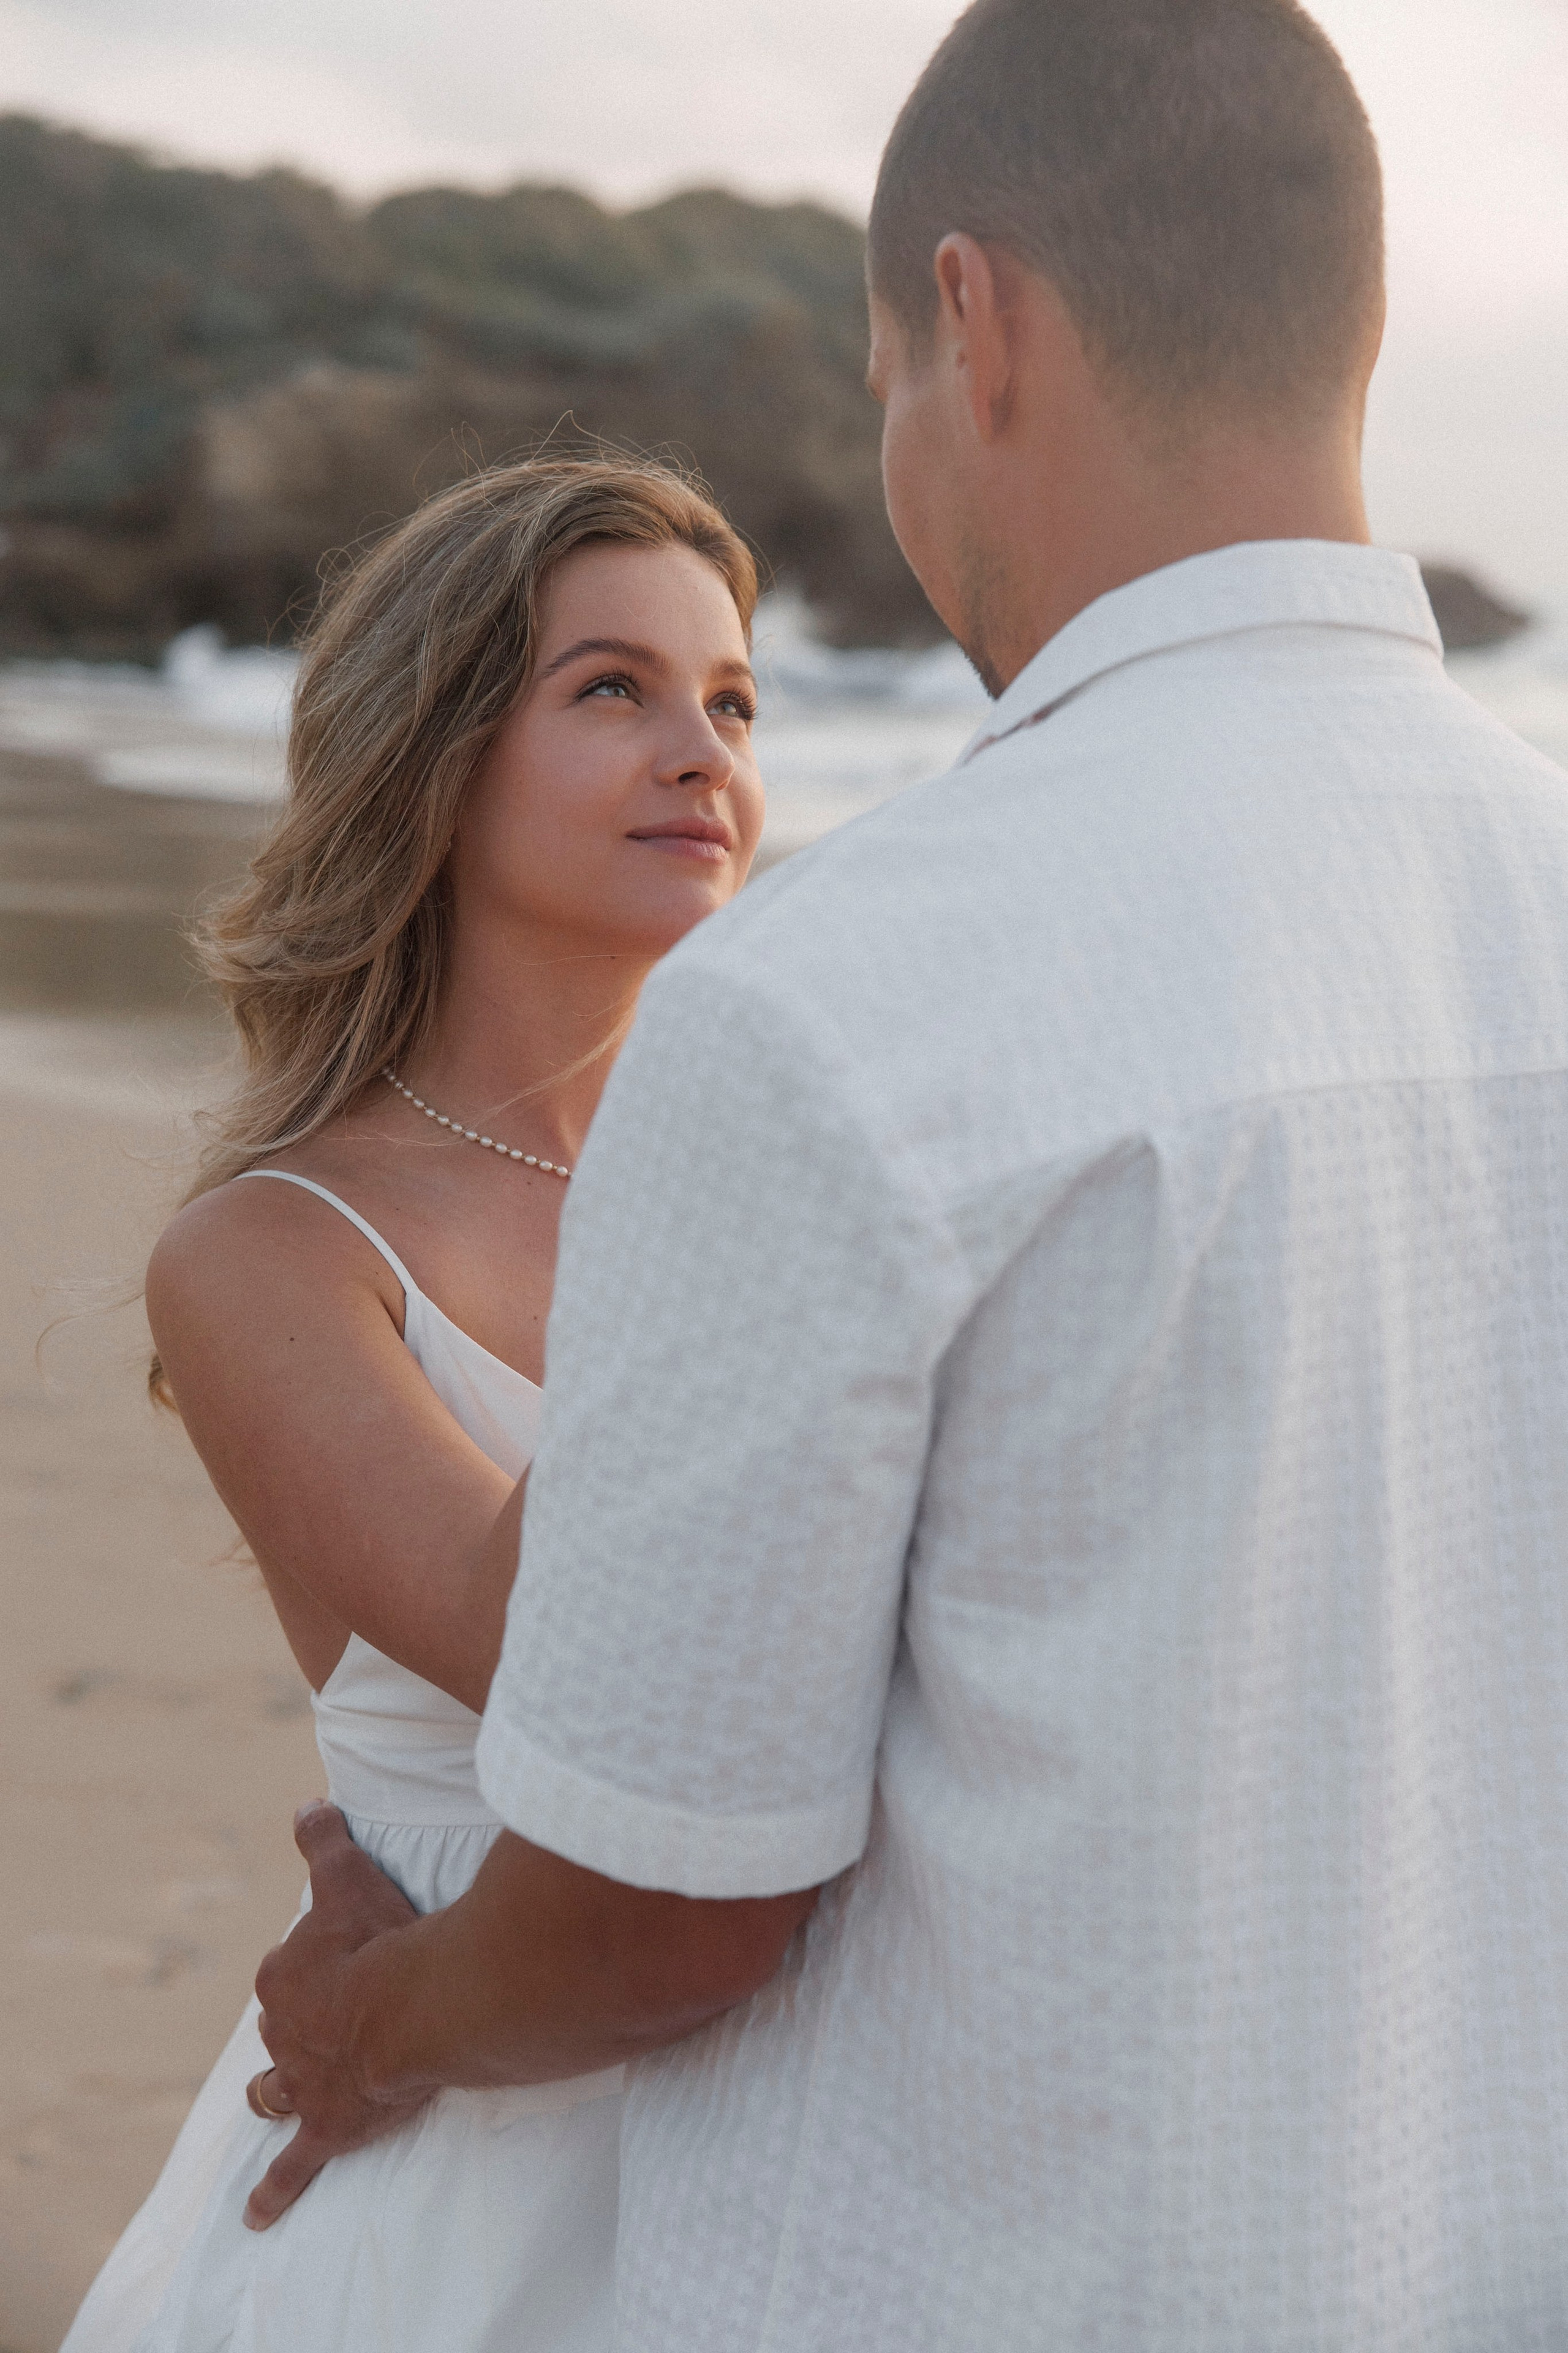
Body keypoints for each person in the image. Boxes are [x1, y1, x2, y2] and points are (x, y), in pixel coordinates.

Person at [247, 1, 1568, 2344]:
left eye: (880, 380)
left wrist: (382, 2022)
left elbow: (665, 1904)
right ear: (1359, 323)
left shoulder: (845, 1001)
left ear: (972, 321)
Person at [59, 453, 766, 2353]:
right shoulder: (270, 1252)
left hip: (789, 2101)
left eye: (733, 698)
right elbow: (548, 1641)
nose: (702, 749)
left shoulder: (779, 1172)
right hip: (463, 2160)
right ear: (434, 754)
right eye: (610, 687)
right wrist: (742, 1172)